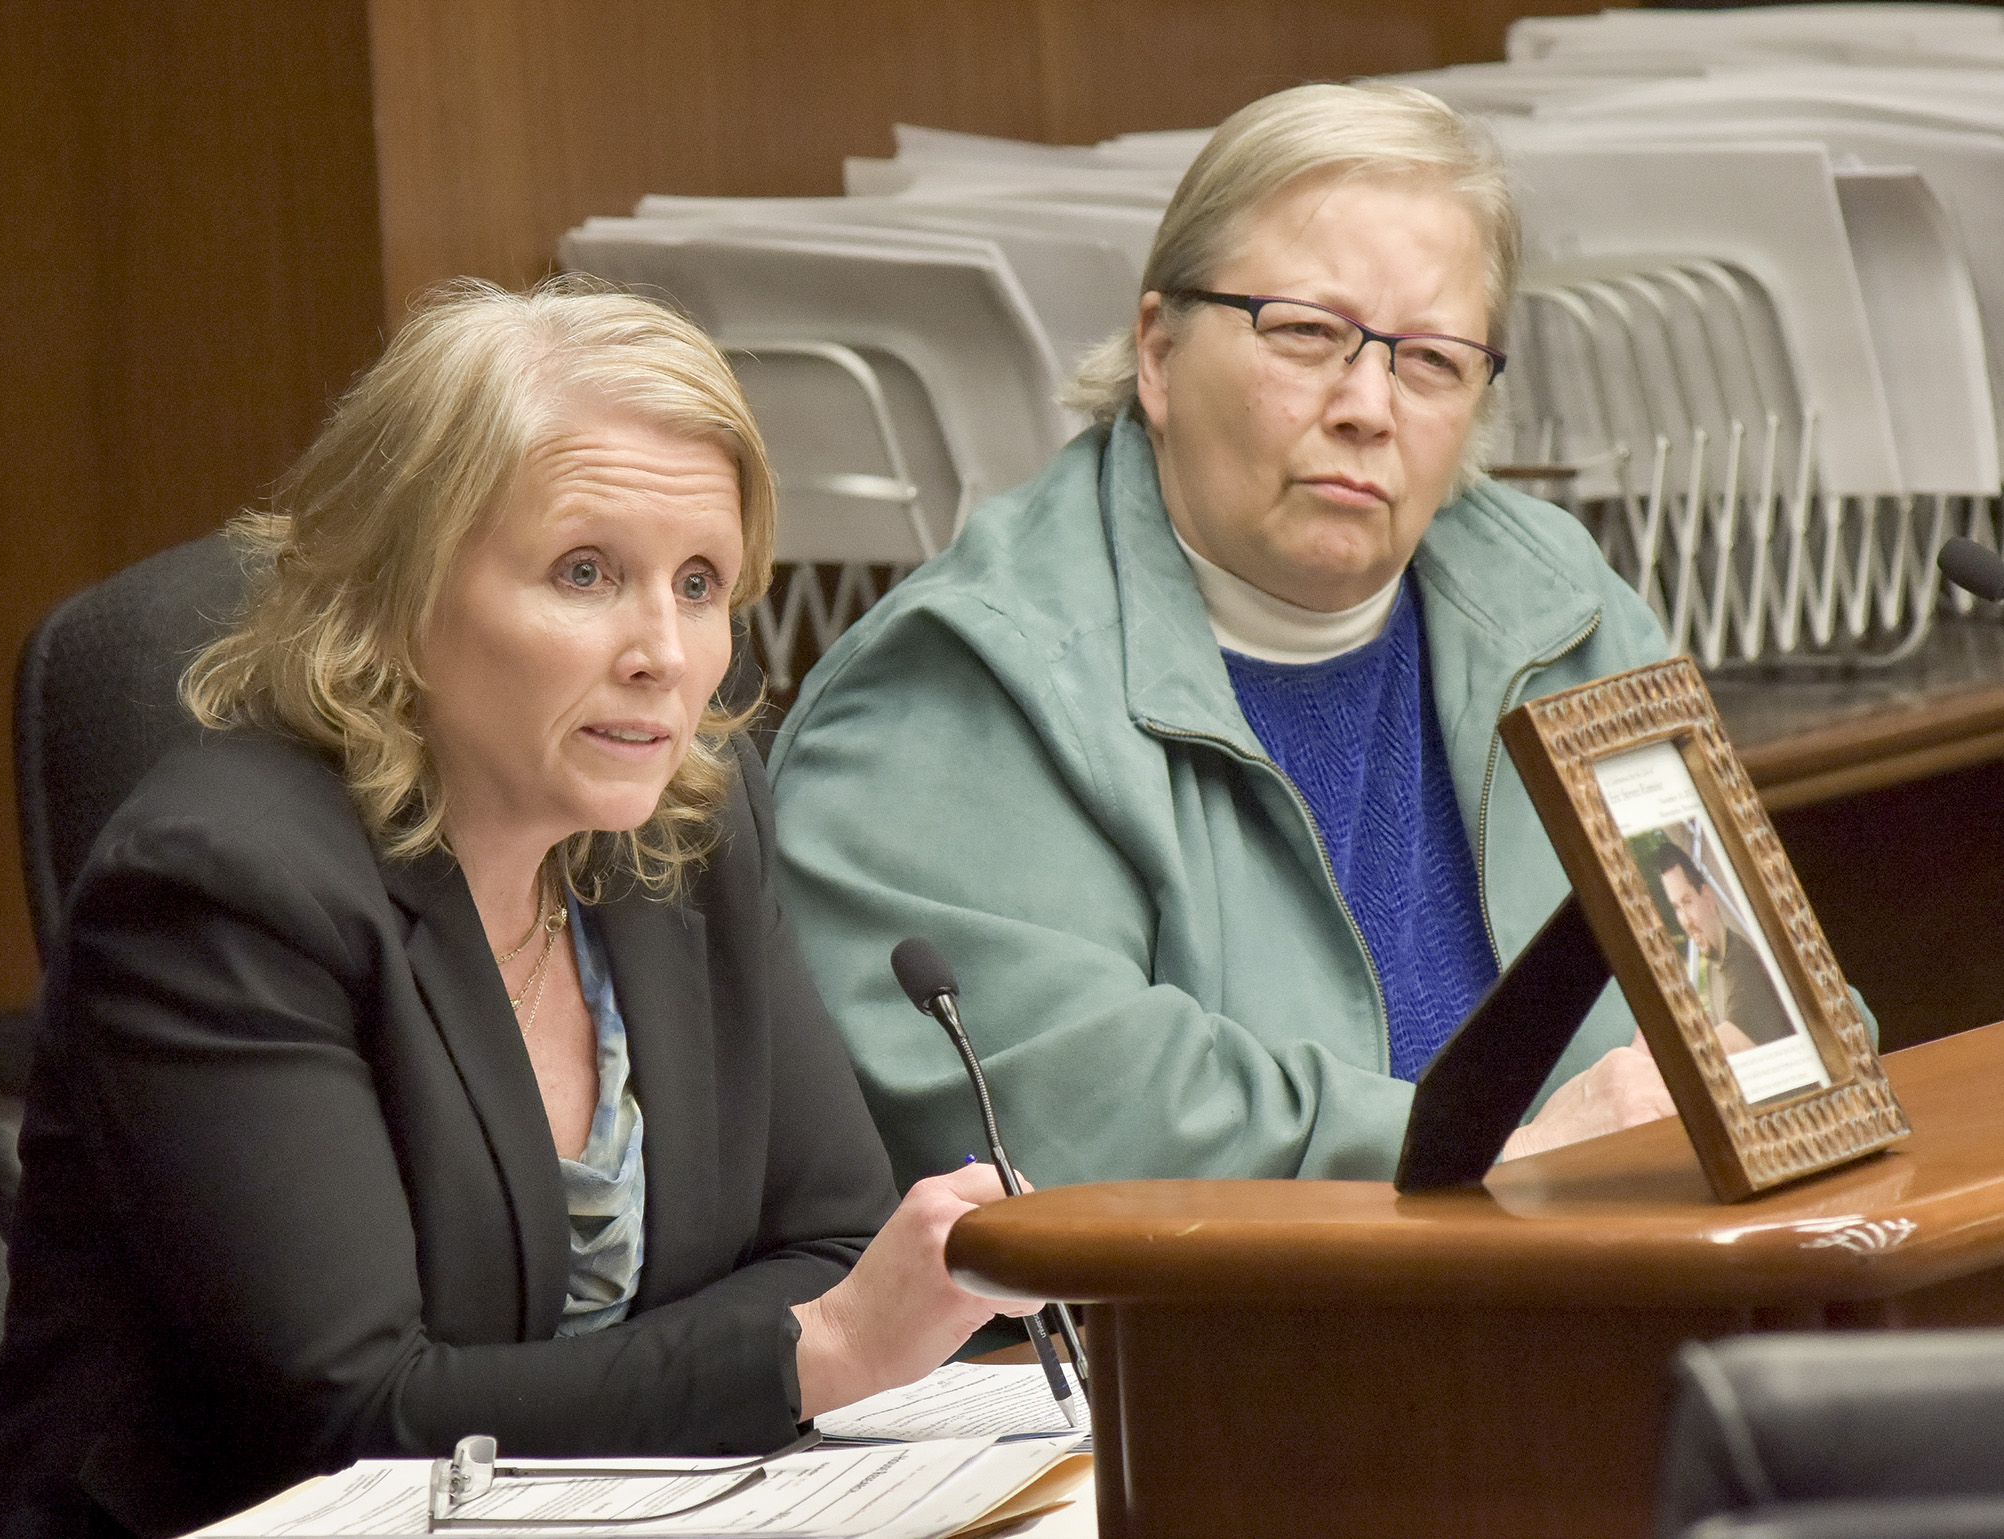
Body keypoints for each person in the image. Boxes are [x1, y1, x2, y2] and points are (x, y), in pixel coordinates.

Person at [0, 283, 1033, 1539]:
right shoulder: (219, 889)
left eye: (698, 583)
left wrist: (787, 1338)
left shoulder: (681, 829)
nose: (663, 653)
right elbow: (356, 1416)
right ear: (399, 592)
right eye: (586, 573)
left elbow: (830, 1244)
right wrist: (807, 1355)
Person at [768, 82, 1682, 1196]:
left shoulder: (1562, 606)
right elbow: (1073, 1130)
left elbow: (1754, 1013)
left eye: (1433, 360)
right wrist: (1491, 1165)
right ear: (1156, 353)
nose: (1368, 405)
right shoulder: (961, 685)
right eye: (1306, 335)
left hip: (1631, 1299)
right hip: (1198, 1354)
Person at [1655, 842, 1793, 1047]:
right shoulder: (1716, 965)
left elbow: (1719, 1051)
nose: (1686, 921)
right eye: (1676, 907)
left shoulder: (1744, 967)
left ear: (1708, 898)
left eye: (1688, 902)